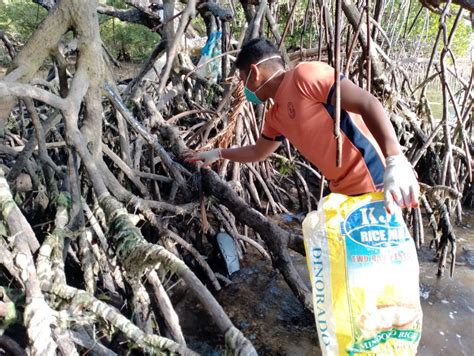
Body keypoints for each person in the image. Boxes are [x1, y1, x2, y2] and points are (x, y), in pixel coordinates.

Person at [184, 38, 419, 213]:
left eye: (242, 80)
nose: (244, 89)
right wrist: (217, 153)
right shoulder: (275, 116)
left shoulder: (305, 75)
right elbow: (258, 152)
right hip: (342, 191)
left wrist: (395, 160)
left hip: (373, 181)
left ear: (254, 73)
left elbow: (368, 103)